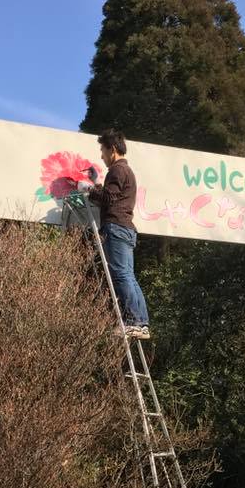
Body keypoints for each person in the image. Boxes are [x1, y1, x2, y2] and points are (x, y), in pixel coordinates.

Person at [88, 129, 150, 340]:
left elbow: (109, 198)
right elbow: (113, 195)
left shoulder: (117, 171)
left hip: (116, 227)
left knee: (122, 275)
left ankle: (133, 322)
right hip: (125, 229)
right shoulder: (126, 171)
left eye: (103, 151)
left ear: (112, 149)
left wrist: (89, 189)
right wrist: (97, 183)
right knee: (128, 276)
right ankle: (141, 323)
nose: (101, 156)